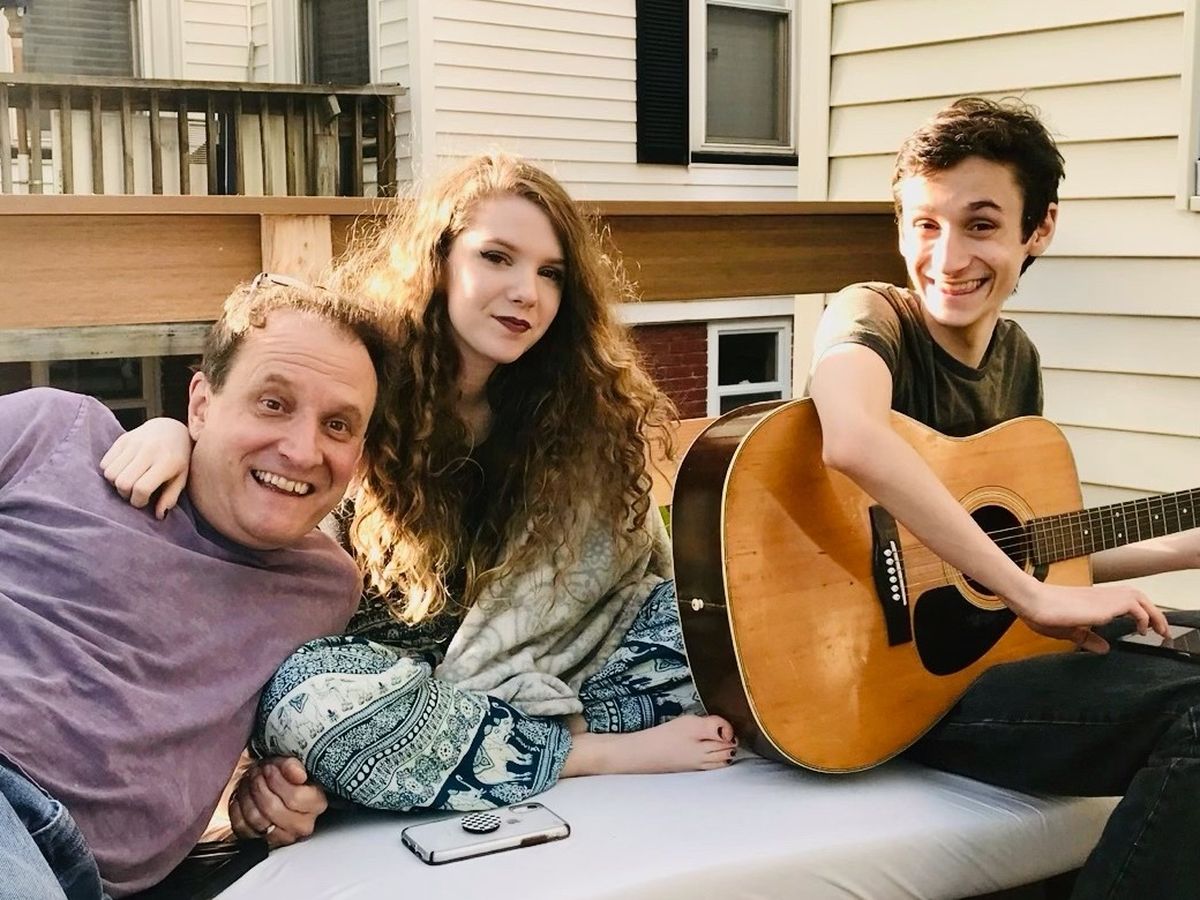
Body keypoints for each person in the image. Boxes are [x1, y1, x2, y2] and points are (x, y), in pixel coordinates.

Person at [105, 154, 736, 840]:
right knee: (305, 697)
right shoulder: (360, 374)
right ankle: (582, 754)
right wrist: (174, 432)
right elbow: (260, 429)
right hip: (376, 685)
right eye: (497, 257)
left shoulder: (579, 414)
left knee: (717, 615)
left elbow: (634, 576)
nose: (526, 292)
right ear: (438, 259)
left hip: (541, 681)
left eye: (550, 273)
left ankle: (472, 757)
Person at [809, 97, 1200, 898]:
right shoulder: (872, 316)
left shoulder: (1016, 359)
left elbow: (1020, 552)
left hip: (985, 660)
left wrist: (1183, 548)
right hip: (879, 686)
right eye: (925, 224)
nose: (948, 256)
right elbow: (850, 436)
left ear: (1039, 229)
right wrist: (1032, 596)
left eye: (980, 225)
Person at [0, 276, 387, 899]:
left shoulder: (325, 589)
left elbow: (224, 725)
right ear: (202, 404)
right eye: (273, 404)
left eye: (338, 425)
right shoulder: (54, 431)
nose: (301, 450)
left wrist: (266, 792)